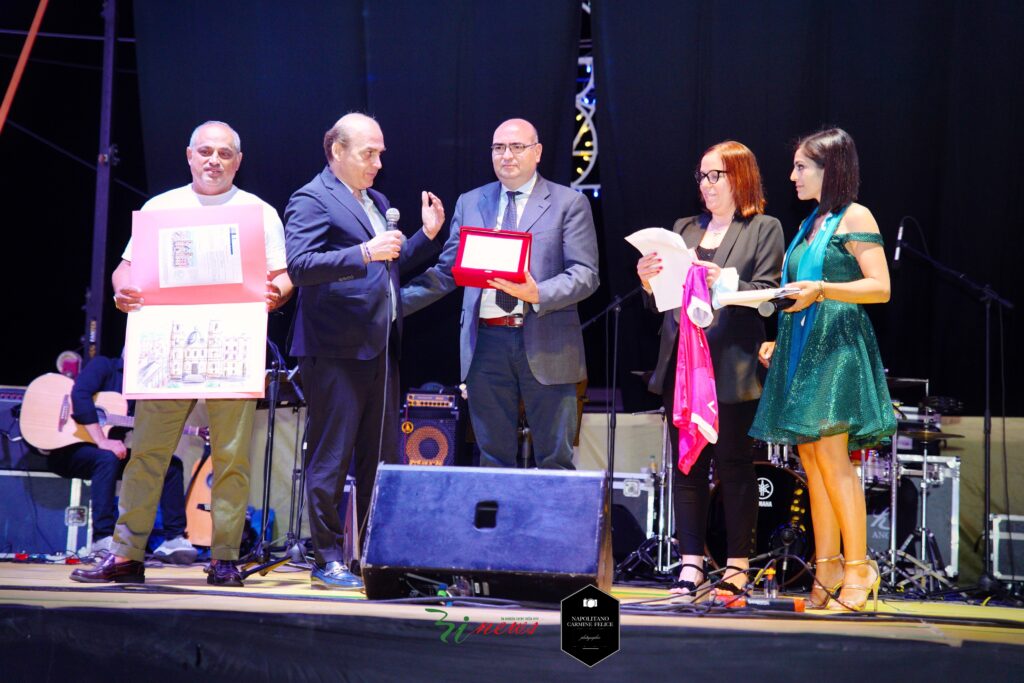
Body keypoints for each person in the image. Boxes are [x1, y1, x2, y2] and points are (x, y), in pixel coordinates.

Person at [71, 121, 293, 586]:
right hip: (166, 348)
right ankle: (128, 555)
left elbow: (282, 273)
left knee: (231, 457)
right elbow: (126, 268)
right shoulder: (161, 207)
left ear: (238, 161)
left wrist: (277, 292)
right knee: (149, 453)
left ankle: (224, 557)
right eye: (206, 151)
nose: (214, 160)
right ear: (189, 155)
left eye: (225, 153)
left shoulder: (258, 213)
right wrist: (121, 290)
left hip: (232, 345)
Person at [285, 113, 445, 590]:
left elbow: (387, 266)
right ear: (337, 150)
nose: (377, 162)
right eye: (368, 153)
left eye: (380, 154)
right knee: (331, 459)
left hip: (378, 347)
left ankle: (380, 558)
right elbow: (300, 266)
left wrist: (425, 238)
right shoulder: (312, 198)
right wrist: (364, 253)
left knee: (380, 459)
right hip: (335, 349)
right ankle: (327, 557)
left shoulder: (376, 201)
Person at [750, 127, 895, 611]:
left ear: (829, 169)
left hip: (836, 347)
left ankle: (859, 571)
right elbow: (797, 290)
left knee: (834, 463)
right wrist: (777, 336)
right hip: (802, 344)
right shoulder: (813, 220)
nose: (792, 176)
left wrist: (823, 291)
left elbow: (880, 287)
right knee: (812, 465)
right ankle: (828, 567)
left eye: (801, 167)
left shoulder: (855, 215)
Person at [403, 118, 599, 470]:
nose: (506, 155)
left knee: (555, 460)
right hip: (485, 345)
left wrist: (537, 291)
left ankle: (549, 527)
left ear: (537, 152)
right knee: (492, 459)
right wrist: (391, 303)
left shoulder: (569, 203)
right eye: (498, 148)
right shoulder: (471, 202)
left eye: (516, 147)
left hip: (547, 340)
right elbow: (448, 272)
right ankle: (500, 526)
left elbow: (586, 275)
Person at [637, 141, 784, 598]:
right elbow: (662, 300)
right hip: (682, 367)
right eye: (701, 176)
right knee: (688, 468)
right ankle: (690, 564)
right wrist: (648, 278)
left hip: (733, 369)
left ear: (740, 176)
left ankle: (737, 567)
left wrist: (726, 281)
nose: (706, 185)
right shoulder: (683, 228)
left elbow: (770, 295)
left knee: (736, 467)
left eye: (715, 175)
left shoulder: (764, 228)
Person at [48, 354, 196, 564]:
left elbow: (142, 425)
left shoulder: (142, 389)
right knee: (107, 457)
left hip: (106, 456)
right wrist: (102, 441)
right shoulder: (103, 366)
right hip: (68, 449)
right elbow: (79, 396)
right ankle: (102, 538)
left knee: (172, 466)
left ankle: (173, 539)